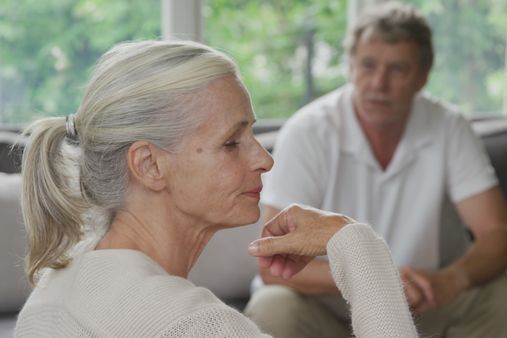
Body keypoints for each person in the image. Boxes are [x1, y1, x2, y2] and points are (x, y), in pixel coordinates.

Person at [15, 40, 419, 337]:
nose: (265, 159)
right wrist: (358, 247)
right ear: (149, 165)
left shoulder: (58, 284)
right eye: (232, 142)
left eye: (253, 134)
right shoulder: (193, 324)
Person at [245, 2, 507, 338]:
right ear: (350, 67)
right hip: (326, 308)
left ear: (422, 76)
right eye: (368, 65)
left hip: (421, 300)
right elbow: (273, 264)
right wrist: (377, 279)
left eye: (397, 69)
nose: (379, 83)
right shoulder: (308, 131)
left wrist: (453, 279)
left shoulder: (449, 127)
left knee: (501, 295)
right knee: (272, 307)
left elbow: (501, 236)